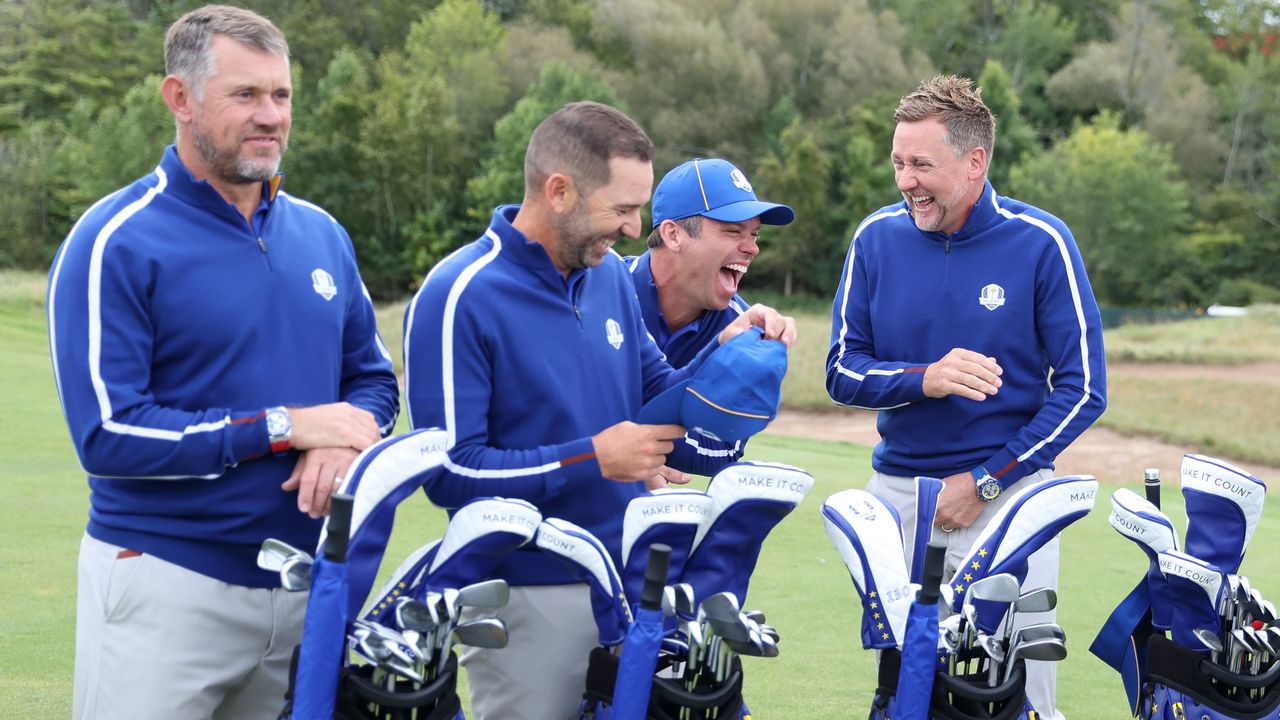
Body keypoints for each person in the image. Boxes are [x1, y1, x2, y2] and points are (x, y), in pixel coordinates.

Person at [48, 6, 400, 718]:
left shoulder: (322, 233)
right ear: (180, 99)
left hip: (307, 588)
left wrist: (348, 438)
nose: (271, 115)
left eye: (282, 95)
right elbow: (108, 435)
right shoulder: (113, 239)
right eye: (246, 95)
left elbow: (375, 380)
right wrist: (283, 426)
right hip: (167, 584)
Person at [403, 101, 795, 720]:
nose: (636, 229)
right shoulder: (459, 294)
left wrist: (727, 352)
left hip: (629, 585)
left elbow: (659, 392)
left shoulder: (608, 274)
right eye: (621, 208)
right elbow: (449, 475)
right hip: (527, 593)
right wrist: (593, 458)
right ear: (559, 191)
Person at [825, 75, 1106, 720]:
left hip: (1006, 501)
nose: (905, 180)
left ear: (975, 161)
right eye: (898, 162)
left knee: (1019, 698)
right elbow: (841, 371)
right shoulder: (874, 238)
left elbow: (1084, 388)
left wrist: (983, 481)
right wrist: (923, 378)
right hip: (896, 498)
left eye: (922, 164)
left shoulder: (1041, 242)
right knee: (904, 692)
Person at [624, 158, 794, 480]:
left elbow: (720, 450)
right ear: (673, 235)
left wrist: (637, 449)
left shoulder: (741, 326)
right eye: (732, 231)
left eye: (755, 234)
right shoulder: (602, 292)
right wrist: (633, 451)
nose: (752, 248)